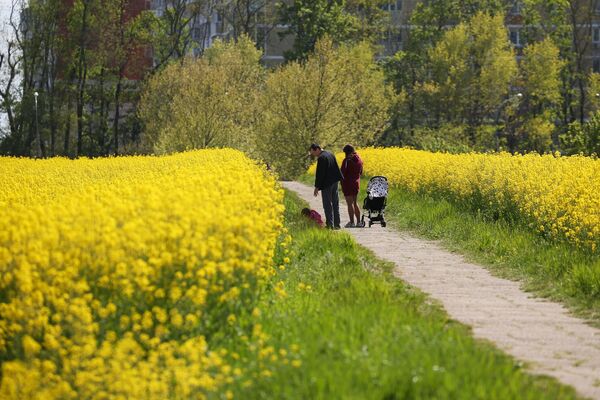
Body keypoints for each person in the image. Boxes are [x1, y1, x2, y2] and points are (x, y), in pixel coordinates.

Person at [309, 143, 343, 230]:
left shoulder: (321, 158)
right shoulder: (330, 154)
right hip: (335, 182)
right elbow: (336, 167)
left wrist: (317, 187)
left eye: (313, 152)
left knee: (327, 204)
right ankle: (337, 224)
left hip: (327, 184)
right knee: (335, 203)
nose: (313, 154)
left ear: (317, 149)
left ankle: (330, 225)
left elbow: (320, 174)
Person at [340, 144, 364, 228]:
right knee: (355, 203)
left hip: (347, 184)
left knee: (349, 204)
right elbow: (361, 172)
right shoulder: (360, 160)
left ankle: (352, 223)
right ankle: (359, 222)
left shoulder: (347, 160)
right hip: (356, 183)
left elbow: (342, 173)